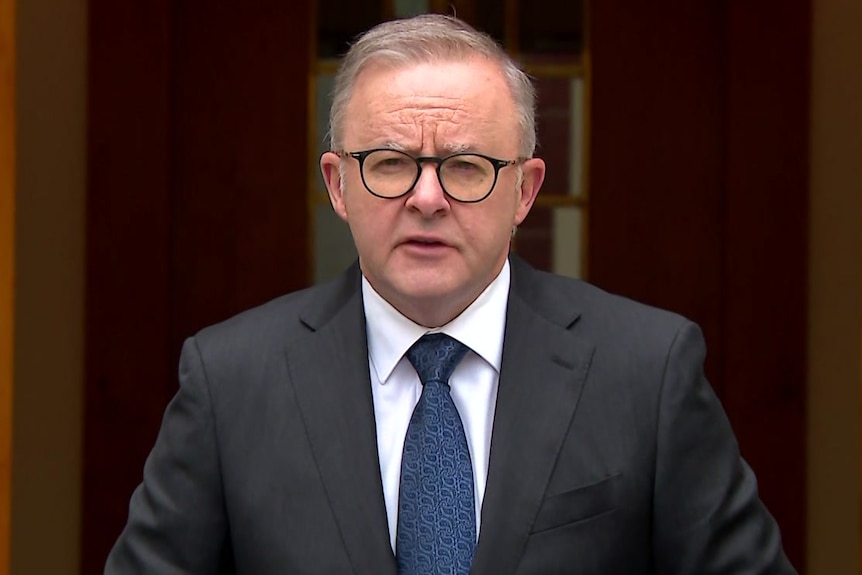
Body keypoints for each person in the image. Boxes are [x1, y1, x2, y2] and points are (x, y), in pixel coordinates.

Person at [105, 13, 796, 575]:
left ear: (525, 190)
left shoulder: (645, 371)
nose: (426, 198)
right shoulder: (230, 380)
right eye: (390, 164)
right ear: (338, 185)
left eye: (466, 166)